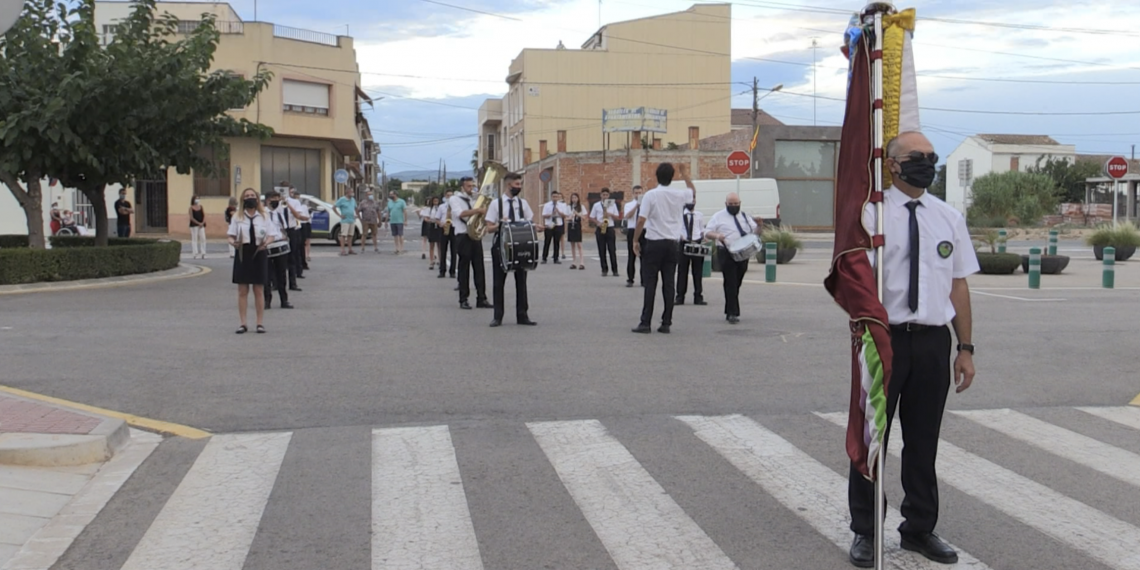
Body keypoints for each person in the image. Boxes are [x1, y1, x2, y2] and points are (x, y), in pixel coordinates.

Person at [846, 131, 977, 569]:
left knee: (923, 440)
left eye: (931, 157)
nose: (926, 163)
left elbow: (958, 284)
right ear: (893, 164)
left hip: (932, 341)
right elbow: (851, 277)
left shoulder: (948, 217)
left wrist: (966, 347)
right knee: (873, 440)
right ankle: (866, 531)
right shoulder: (872, 214)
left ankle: (919, 528)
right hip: (884, 338)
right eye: (916, 157)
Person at [631, 163, 694, 334]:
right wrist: (685, 174)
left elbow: (641, 220)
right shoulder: (679, 194)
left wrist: (635, 240)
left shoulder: (650, 195)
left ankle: (645, 322)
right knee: (669, 283)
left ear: (656, 176)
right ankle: (666, 322)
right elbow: (692, 193)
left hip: (654, 241)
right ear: (672, 177)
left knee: (650, 283)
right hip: (672, 242)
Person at [486, 173, 539, 327]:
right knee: (498, 283)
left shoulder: (523, 203)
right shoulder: (496, 204)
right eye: (517, 184)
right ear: (508, 185)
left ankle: (522, 315)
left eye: (520, 184)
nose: (519, 187)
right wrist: (500, 224)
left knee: (521, 282)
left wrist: (537, 227)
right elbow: (489, 228)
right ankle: (497, 316)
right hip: (501, 247)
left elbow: (530, 222)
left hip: (521, 246)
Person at [227, 187, 278, 334]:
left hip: (259, 252)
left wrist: (266, 243)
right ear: (243, 199)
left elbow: (272, 234)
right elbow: (230, 235)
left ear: (257, 198)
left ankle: (259, 323)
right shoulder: (237, 216)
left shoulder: (264, 216)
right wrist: (232, 242)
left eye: (252, 195)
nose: (250, 198)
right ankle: (243, 323)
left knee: (258, 290)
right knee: (242, 290)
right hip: (243, 253)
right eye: (247, 195)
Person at [704, 193, 759, 324]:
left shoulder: (745, 216)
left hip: (742, 253)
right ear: (726, 204)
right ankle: (732, 313)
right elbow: (707, 232)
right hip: (726, 251)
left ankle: (731, 307)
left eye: (736, 204)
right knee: (730, 282)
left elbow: (755, 233)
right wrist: (718, 236)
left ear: (740, 203)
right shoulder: (718, 216)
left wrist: (760, 226)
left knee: (737, 281)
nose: (734, 206)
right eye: (731, 204)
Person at [450, 177, 491, 310]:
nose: (471, 189)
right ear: (462, 187)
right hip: (462, 235)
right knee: (464, 268)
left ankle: (481, 298)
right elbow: (460, 214)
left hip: (475, 236)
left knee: (479, 268)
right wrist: (478, 210)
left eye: (472, 186)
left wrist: (484, 221)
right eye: (468, 186)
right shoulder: (455, 199)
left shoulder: (475, 199)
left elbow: (483, 215)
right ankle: (463, 299)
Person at [263, 191, 294, 310]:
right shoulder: (262, 214)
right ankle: (267, 300)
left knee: (281, 275)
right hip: (267, 247)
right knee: (266, 275)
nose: (276, 201)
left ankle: (284, 300)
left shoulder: (281, 213)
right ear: (267, 200)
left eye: (277, 198)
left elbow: (284, 229)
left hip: (280, 247)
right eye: (273, 199)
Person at [676, 190, 707, 306]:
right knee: (682, 271)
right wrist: (681, 237)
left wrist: (704, 236)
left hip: (696, 242)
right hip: (684, 242)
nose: (691, 202)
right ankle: (680, 296)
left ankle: (698, 296)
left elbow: (701, 228)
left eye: (693, 199)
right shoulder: (680, 215)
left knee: (697, 271)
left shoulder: (699, 215)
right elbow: (676, 228)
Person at [281, 183, 308, 287]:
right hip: (280, 230)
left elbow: (298, 215)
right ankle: (276, 283)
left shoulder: (294, 202)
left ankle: (293, 282)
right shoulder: (276, 202)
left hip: (292, 229)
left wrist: (287, 203)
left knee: (293, 255)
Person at [590, 188, 622, 277]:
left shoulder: (613, 204)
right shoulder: (596, 205)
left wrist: (610, 214)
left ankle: (615, 270)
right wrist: (598, 223)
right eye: (603, 195)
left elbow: (617, 217)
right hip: (601, 227)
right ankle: (604, 269)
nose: (605, 196)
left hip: (610, 227)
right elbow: (592, 217)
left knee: (612, 250)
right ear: (601, 195)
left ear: (609, 196)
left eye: (606, 195)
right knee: (601, 249)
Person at [623, 186, 645, 287]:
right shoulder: (629, 205)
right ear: (633, 194)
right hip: (632, 229)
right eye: (636, 193)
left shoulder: (646, 204)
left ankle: (644, 279)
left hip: (644, 230)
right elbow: (628, 216)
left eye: (640, 193)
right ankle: (630, 279)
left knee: (644, 256)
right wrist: (636, 206)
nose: (638, 195)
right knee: (631, 255)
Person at [541, 191, 567, 264]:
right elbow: (544, 215)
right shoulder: (547, 205)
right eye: (553, 197)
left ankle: (556, 258)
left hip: (558, 224)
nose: (555, 198)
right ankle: (544, 258)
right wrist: (551, 214)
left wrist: (558, 212)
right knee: (547, 241)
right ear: (551, 197)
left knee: (556, 242)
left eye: (556, 197)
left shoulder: (562, 205)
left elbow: (564, 215)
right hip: (549, 224)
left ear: (558, 197)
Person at [290, 188, 313, 269]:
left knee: (302, 244)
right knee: (298, 246)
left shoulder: (302, 205)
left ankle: (302, 263)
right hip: (297, 224)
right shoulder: (289, 202)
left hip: (301, 224)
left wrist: (306, 219)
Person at [437, 190, 457, 279]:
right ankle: (442, 271)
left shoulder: (456, 207)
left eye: (451, 195)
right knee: (443, 250)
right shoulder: (441, 207)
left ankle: (452, 271)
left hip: (454, 228)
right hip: (444, 228)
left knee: (454, 251)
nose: (449, 197)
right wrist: (441, 224)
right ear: (445, 196)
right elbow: (437, 218)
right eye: (448, 195)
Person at [566, 193, 587, 270]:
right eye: (572, 198)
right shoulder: (568, 207)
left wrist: (577, 214)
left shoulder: (581, 207)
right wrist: (570, 218)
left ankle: (582, 262)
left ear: (578, 199)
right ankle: (574, 262)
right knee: (572, 244)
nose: (574, 199)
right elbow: (565, 218)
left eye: (575, 197)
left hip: (577, 225)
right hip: (571, 225)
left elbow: (584, 217)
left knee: (579, 244)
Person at [334, 189, 357, 256]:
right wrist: (339, 215)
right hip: (345, 220)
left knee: (350, 235)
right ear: (347, 192)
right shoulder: (342, 199)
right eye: (351, 192)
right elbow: (334, 207)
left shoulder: (353, 200)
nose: (352, 193)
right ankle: (342, 250)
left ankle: (350, 249)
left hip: (352, 220)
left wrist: (355, 215)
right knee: (343, 235)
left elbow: (355, 208)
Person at [358, 190, 382, 254]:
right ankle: (362, 248)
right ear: (366, 195)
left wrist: (380, 220)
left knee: (374, 234)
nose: (370, 196)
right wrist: (360, 219)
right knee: (364, 234)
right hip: (365, 221)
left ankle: (375, 247)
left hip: (374, 221)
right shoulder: (362, 203)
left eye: (371, 194)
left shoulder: (375, 203)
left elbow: (378, 211)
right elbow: (358, 211)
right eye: (369, 194)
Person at [426, 196, 443, 271]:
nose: (436, 202)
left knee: (440, 244)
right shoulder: (429, 209)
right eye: (434, 201)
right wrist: (430, 220)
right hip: (432, 226)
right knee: (431, 244)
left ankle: (440, 260)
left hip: (439, 226)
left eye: (437, 201)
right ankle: (431, 260)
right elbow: (426, 218)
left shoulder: (441, 208)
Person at [188, 194, 207, 259]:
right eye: (196, 198)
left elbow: (204, 215)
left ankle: (203, 253)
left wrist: (202, 223)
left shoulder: (201, 207)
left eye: (198, 198)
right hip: (194, 225)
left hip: (201, 225)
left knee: (203, 238)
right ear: (193, 200)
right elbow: (191, 218)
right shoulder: (191, 208)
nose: (197, 200)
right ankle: (195, 253)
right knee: (194, 239)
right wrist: (198, 223)